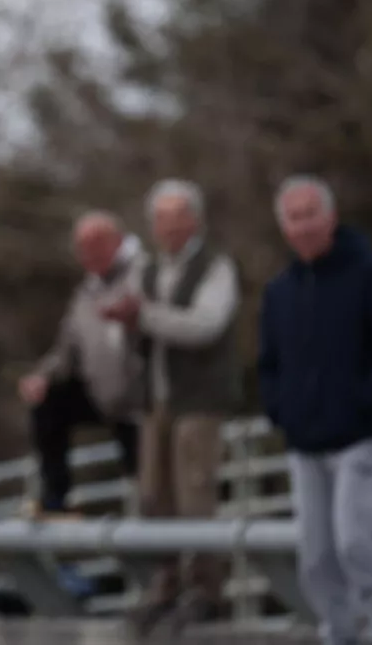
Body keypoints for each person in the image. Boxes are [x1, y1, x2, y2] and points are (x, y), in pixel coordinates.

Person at [258, 176, 372, 645]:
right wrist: (280, 409)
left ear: (331, 217)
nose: (303, 226)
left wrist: (368, 400)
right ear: (284, 227)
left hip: (363, 437)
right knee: (316, 555)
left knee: (356, 542)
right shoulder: (279, 291)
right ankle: (338, 633)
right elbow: (269, 362)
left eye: (310, 214)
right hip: (305, 443)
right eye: (294, 218)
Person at [104, 179, 242, 631]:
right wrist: (125, 323)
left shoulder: (215, 267)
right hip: (156, 400)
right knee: (153, 497)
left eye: (175, 217)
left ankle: (206, 590)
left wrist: (143, 317)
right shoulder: (144, 269)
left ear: (194, 220)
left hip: (198, 401)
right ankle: (166, 585)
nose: (166, 227)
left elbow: (205, 325)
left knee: (195, 493)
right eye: (160, 219)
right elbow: (116, 331)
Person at [18, 211, 143, 518]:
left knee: (147, 487)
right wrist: (40, 377)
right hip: (101, 393)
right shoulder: (85, 293)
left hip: (142, 399)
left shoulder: (144, 275)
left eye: (98, 243)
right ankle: (56, 497)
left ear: (118, 241)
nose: (90, 253)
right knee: (48, 400)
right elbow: (65, 351)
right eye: (83, 246)